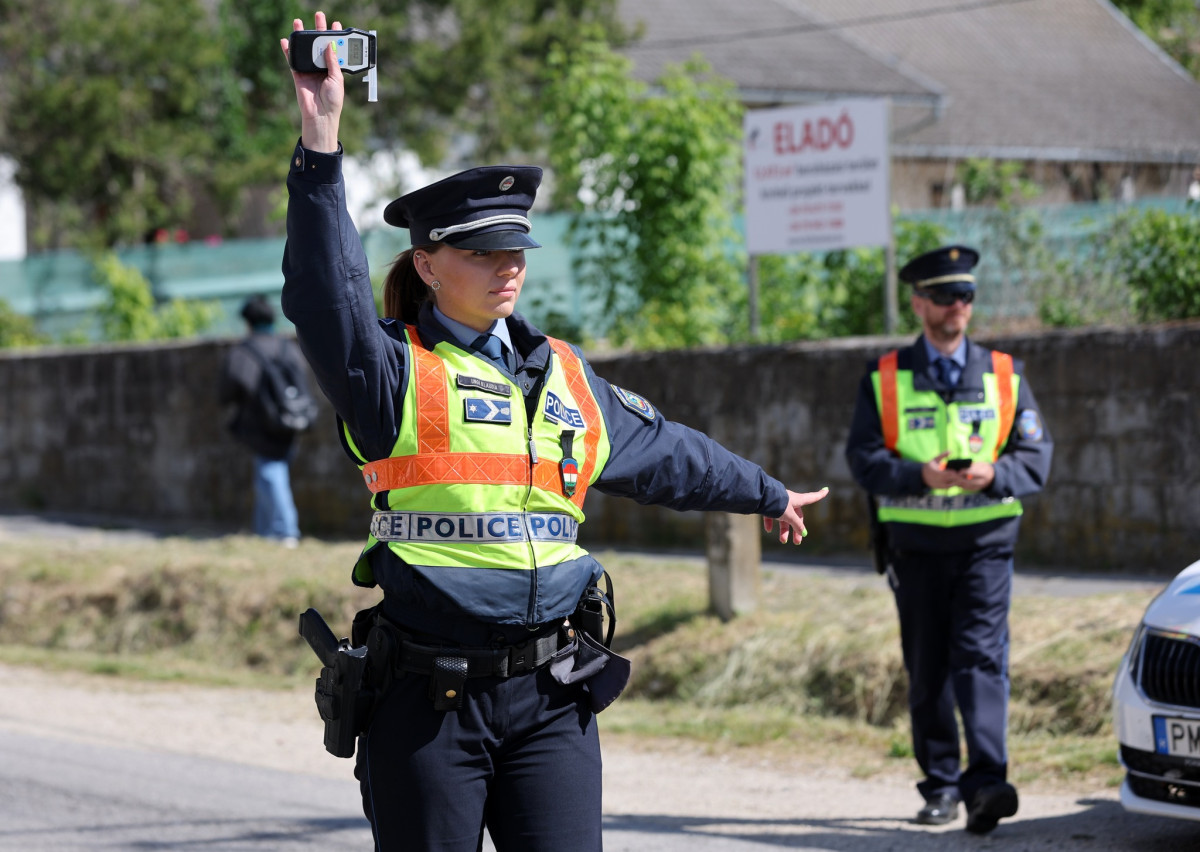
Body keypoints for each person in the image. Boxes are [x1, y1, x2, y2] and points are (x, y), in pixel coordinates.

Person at [279, 12, 828, 851]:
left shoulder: (564, 375)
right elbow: (326, 295)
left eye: (516, 249)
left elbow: (666, 453)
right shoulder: (391, 372)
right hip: (430, 706)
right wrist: (321, 142)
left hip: (551, 696)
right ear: (427, 264)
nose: (508, 265)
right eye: (483, 251)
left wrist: (767, 492)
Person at [844, 245, 1053, 834]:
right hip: (915, 549)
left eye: (965, 295)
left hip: (986, 544)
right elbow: (862, 458)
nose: (957, 306)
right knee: (929, 667)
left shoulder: (1006, 375)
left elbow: (1036, 455)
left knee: (983, 661)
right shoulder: (884, 377)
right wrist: (919, 475)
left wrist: (994, 475)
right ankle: (939, 785)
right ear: (919, 304)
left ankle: (986, 784)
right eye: (944, 296)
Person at [218, 295, 305, 547]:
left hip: (260, 426)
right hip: (290, 422)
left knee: (270, 472)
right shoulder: (288, 347)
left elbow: (226, 392)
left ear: (247, 322)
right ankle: (264, 532)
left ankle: (286, 530)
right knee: (268, 473)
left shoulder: (243, 352)